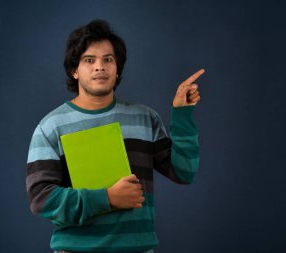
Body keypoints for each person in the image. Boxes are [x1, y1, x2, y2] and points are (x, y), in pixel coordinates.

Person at [26, 19, 204, 253]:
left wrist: (182, 114)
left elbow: (184, 172)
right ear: (75, 70)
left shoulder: (145, 118)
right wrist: (107, 198)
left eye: (108, 59)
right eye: (89, 60)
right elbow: (41, 199)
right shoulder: (51, 126)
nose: (100, 67)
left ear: (117, 68)